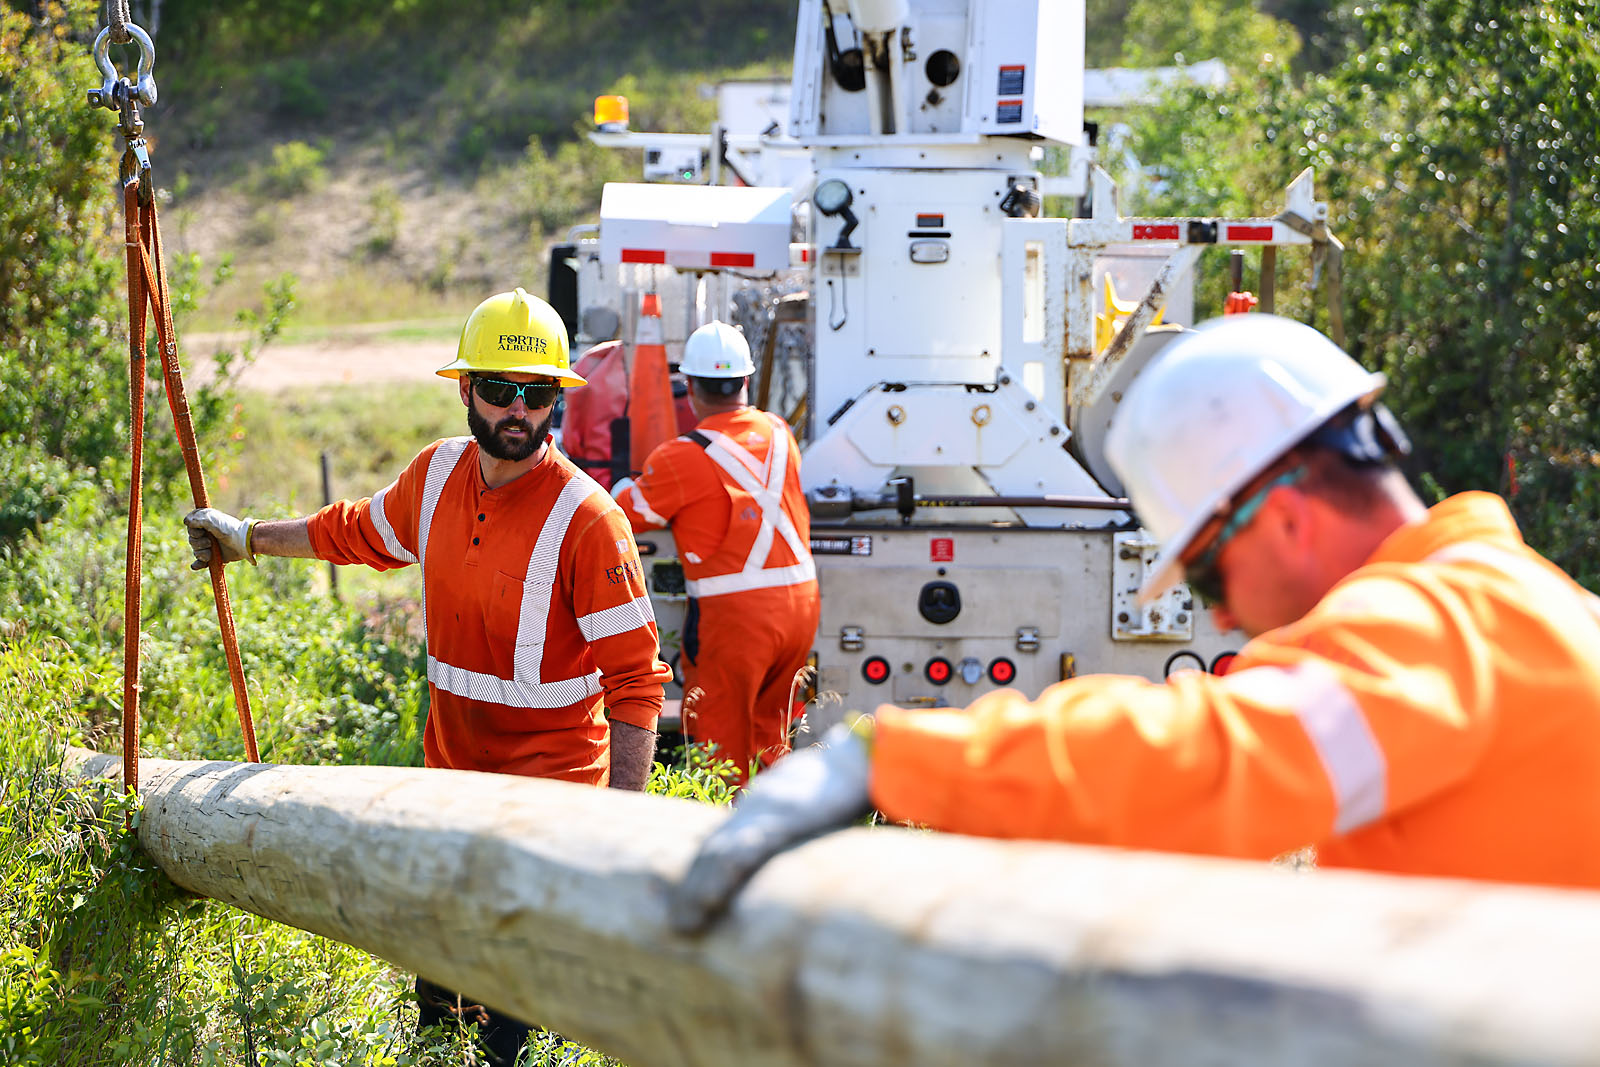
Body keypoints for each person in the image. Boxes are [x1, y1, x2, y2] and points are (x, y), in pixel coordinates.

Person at [668, 313, 1600, 933]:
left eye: (1202, 567)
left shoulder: (1444, 626)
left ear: (1282, 515)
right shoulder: (1516, 605)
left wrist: (891, 760)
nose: (1223, 611)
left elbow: (1209, 758)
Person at [185, 287, 672, 1063]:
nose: (518, 409)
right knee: (441, 1017)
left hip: (547, 810)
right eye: (499, 390)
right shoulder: (436, 476)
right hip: (450, 796)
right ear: (464, 389)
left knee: (507, 1028)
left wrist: (622, 831)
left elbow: (637, 684)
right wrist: (246, 537)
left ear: (557, 400)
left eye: (537, 393)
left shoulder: (588, 520)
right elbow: (352, 531)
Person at [611, 321, 821, 784]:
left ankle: (721, 828)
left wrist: (625, 483)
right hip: (801, 607)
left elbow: (622, 513)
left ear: (689, 387)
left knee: (719, 742)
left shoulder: (678, 457)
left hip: (737, 617)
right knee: (773, 735)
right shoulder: (781, 432)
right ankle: (776, 822)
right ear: (745, 381)